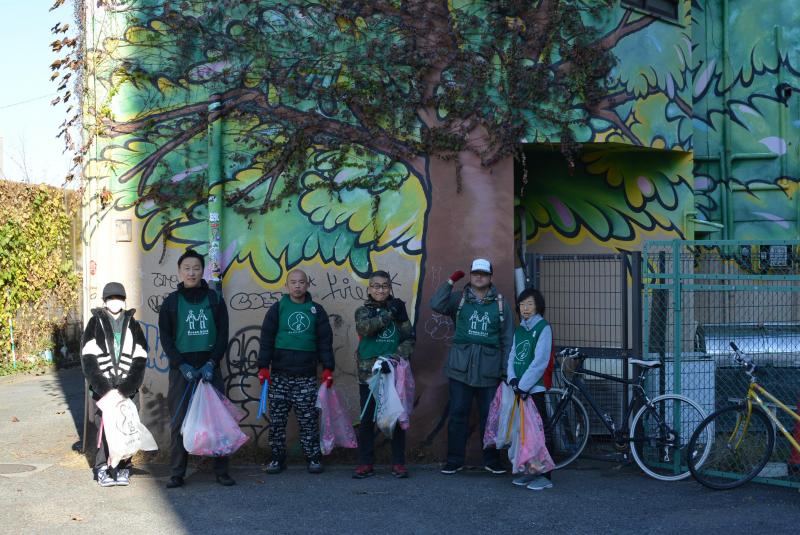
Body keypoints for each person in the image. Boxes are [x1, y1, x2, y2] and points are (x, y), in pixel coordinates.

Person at [430, 258, 514, 475]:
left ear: (490, 277)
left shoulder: (501, 304)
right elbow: (436, 304)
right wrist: (450, 282)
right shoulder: (458, 299)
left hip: (490, 369)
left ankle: (492, 460)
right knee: (458, 413)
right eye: (475, 273)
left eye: (484, 274)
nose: (479, 277)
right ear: (470, 275)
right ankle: (454, 460)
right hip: (460, 368)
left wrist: (505, 370)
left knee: (490, 417)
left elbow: (507, 339)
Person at [158, 249, 233, 488]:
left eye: (196, 268)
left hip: (210, 369)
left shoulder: (215, 299)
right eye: (187, 269)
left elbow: (223, 334)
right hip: (183, 372)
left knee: (217, 422)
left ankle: (221, 471)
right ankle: (177, 473)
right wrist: (181, 365)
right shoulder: (170, 302)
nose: (191, 273)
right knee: (179, 423)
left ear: (203, 271)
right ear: (180, 272)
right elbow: (166, 339)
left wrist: (212, 362)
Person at [257, 269, 334, 474]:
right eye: (293, 282)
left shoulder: (316, 310)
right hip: (280, 375)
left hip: (306, 377)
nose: (297, 286)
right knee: (277, 421)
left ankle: (313, 458)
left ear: (307, 285)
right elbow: (266, 339)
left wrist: (328, 368)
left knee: (308, 420)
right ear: (287, 286)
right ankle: (276, 459)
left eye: (301, 282)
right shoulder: (278, 308)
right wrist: (263, 367)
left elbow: (325, 342)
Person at [80, 282, 148, 487]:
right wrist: (105, 388)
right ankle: (102, 468)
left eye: (118, 298)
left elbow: (140, 357)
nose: (115, 302)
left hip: (128, 390)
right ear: (105, 301)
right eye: (110, 298)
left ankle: (123, 467)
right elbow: (88, 357)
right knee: (104, 428)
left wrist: (127, 388)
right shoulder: (95, 323)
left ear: (124, 301)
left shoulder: (133, 324)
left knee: (126, 428)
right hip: (104, 390)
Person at [352, 270, 415, 479]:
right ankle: (365, 463)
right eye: (376, 286)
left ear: (390, 288)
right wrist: (390, 313)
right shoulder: (363, 311)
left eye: (385, 286)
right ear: (369, 289)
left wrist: (394, 358)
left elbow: (409, 339)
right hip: (368, 375)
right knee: (367, 419)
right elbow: (367, 328)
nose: (380, 290)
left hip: (393, 375)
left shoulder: (399, 311)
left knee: (395, 419)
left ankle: (398, 462)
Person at [506, 288, 554, 490]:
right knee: (523, 433)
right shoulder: (519, 330)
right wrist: (513, 380)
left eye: (530, 304)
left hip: (535, 390)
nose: (525, 308)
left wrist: (524, 385)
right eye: (522, 304)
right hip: (519, 390)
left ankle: (545, 475)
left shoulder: (543, 328)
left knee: (539, 432)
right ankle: (529, 471)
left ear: (538, 306)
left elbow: (540, 361)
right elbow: (512, 356)